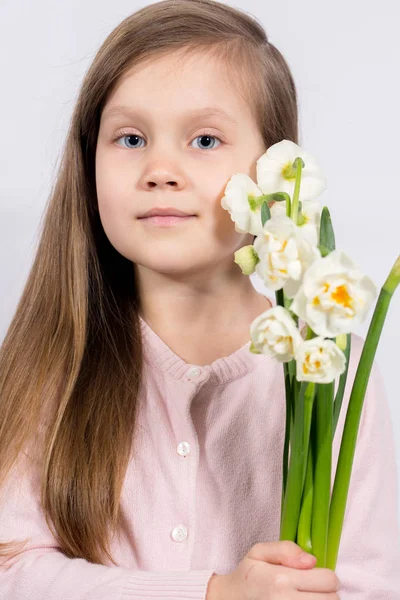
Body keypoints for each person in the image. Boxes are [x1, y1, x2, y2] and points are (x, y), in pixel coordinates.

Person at [0, 0, 399, 598]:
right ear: (90, 163)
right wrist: (213, 593)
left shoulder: (328, 366)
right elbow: (12, 567)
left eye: (205, 139)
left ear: (275, 171)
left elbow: (371, 580)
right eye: (130, 138)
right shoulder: (54, 356)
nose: (160, 169)